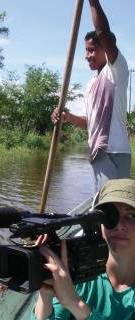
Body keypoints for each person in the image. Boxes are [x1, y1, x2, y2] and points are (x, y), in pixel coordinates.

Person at [28, 178, 135, 320]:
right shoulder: (78, 274)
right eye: (110, 216)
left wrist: (75, 304)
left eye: (131, 215)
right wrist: (45, 296)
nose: (119, 224)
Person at [52, 0, 131, 191]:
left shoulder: (116, 70)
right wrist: (66, 117)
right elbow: (89, 122)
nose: (87, 55)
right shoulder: (90, 85)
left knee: (110, 213)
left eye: (92, 49)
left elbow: (103, 32)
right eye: (86, 50)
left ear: (106, 48)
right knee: (102, 209)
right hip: (97, 154)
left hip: (114, 153)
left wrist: (92, 1)